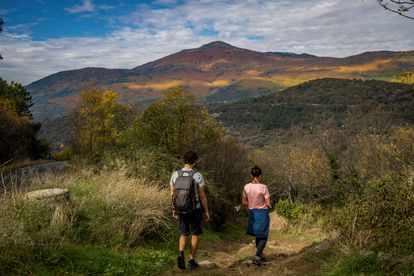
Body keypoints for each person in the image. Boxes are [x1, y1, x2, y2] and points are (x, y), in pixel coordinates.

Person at [170, 150, 210, 270]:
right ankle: (191, 260)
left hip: (181, 208)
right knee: (195, 234)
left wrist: (174, 209)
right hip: (195, 209)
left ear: (184, 160)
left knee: (183, 233)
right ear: (195, 161)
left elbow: (172, 194)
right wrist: (206, 211)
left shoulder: (175, 174)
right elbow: (202, 195)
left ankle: (181, 253)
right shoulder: (197, 175)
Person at [242, 165, 271, 266]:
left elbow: (244, 201)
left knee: (258, 234)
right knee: (264, 234)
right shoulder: (263, 187)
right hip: (262, 212)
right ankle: (257, 256)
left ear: (251, 175)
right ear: (260, 175)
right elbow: (268, 202)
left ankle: (260, 254)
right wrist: (266, 204)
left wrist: (250, 204)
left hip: (252, 212)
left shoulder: (246, 186)